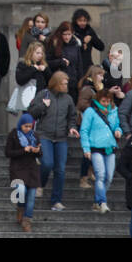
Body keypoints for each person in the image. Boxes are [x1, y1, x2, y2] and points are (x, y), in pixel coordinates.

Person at [27, 70, 80, 211]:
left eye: (67, 83)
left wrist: (72, 128)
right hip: (45, 135)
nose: (66, 85)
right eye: (64, 83)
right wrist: (43, 105)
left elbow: (72, 117)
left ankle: (56, 200)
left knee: (60, 170)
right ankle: (40, 183)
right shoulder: (43, 94)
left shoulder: (68, 99)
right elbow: (31, 112)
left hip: (61, 137)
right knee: (47, 163)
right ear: (56, 84)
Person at [81, 86, 122, 212]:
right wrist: (86, 148)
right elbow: (84, 130)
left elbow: (117, 125)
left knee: (109, 177)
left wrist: (118, 131)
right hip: (95, 147)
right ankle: (102, 202)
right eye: (103, 101)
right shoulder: (90, 112)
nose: (106, 104)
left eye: (108, 101)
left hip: (110, 147)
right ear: (98, 100)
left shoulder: (114, 111)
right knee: (100, 175)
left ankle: (97, 200)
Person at [5, 112, 41, 232]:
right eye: (25, 126)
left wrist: (36, 150)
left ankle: (27, 219)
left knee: (31, 196)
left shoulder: (35, 136)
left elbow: (41, 153)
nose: (27, 129)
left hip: (32, 169)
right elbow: (8, 152)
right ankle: (20, 207)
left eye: (30, 126)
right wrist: (23, 150)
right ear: (20, 125)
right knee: (21, 190)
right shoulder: (13, 135)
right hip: (17, 168)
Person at [45, 22, 86, 104]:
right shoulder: (54, 43)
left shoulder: (75, 45)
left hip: (73, 83)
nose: (67, 37)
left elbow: (79, 65)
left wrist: (81, 81)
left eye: (69, 34)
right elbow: (47, 62)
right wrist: (60, 62)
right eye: (64, 34)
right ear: (60, 34)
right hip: (59, 83)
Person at [11, 41, 50, 113]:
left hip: (41, 98)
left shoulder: (43, 65)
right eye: (37, 53)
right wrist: (33, 69)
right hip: (27, 99)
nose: (40, 56)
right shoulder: (23, 64)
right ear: (31, 53)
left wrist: (46, 70)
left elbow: (50, 82)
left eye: (41, 53)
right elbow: (20, 80)